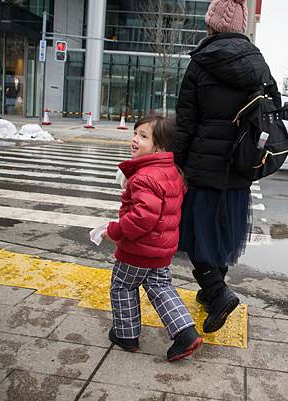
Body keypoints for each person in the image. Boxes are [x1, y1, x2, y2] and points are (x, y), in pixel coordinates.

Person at [174, 0, 281, 333]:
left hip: (203, 166)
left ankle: (218, 293)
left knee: (195, 234)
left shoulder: (200, 63)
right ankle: (212, 292)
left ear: (212, 25)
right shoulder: (259, 64)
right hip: (239, 167)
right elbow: (273, 108)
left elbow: (186, 121)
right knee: (220, 235)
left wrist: (177, 163)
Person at [103, 115, 203, 362]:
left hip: (138, 250)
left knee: (122, 286)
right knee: (161, 287)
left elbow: (142, 219)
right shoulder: (171, 171)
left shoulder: (145, 176)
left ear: (160, 146)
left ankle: (126, 335)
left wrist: (115, 231)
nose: (135, 140)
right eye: (135, 133)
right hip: (161, 249)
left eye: (143, 137)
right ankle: (186, 334)